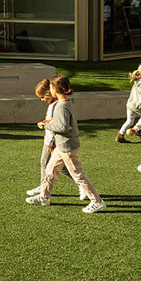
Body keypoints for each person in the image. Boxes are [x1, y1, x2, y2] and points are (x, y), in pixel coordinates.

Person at [27, 76, 107, 212]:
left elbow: (63, 128)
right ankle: (43, 197)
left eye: (51, 87)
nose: (50, 90)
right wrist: (51, 124)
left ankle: (97, 201)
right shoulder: (65, 103)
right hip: (61, 146)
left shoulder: (62, 106)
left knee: (78, 175)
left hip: (67, 147)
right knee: (50, 171)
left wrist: (46, 126)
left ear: (56, 89)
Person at [117, 61, 141, 143]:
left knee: (129, 121)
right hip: (138, 105)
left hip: (130, 104)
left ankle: (120, 135)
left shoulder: (137, 80)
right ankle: (138, 130)